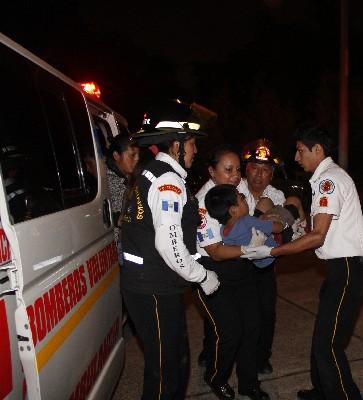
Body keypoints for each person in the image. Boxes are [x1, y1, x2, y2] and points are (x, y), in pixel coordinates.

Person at [246, 126, 363, 400]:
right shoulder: (323, 179)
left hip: (347, 268)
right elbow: (314, 229)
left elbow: (317, 236)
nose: (296, 156)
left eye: (300, 150)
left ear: (318, 150)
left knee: (329, 346)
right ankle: (323, 390)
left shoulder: (329, 181)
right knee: (320, 339)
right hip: (340, 267)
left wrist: (274, 253)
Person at [119, 126, 220, 400]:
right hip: (155, 287)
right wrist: (201, 275)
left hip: (148, 284)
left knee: (173, 360)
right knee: (166, 371)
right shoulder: (168, 182)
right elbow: (170, 245)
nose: (195, 150)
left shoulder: (150, 172)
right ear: (176, 145)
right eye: (191, 144)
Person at [195, 148, 271, 400]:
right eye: (228, 170)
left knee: (252, 327)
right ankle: (217, 377)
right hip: (215, 271)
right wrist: (251, 248)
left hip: (241, 267)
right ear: (211, 171)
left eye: (238, 169)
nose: (236, 175)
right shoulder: (204, 203)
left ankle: (249, 383)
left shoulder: (235, 193)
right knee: (230, 331)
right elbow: (216, 252)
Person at [239, 140, 305, 376]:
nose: (259, 174)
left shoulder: (276, 195)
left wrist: (286, 225)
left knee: (267, 312)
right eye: (254, 168)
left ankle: (262, 358)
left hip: (265, 261)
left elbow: (282, 221)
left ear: (272, 173)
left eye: (265, 170)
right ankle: (212, 352)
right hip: (236, 260)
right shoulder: (234, 190)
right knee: (233, 314)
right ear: (246, 169)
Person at [105, 134, 139, 251]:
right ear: (116, 155)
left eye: (138, 155)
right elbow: (121, 219)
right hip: (117, 247)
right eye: (132, 155)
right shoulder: (112, 182)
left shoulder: (126, 178)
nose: (137, 159)